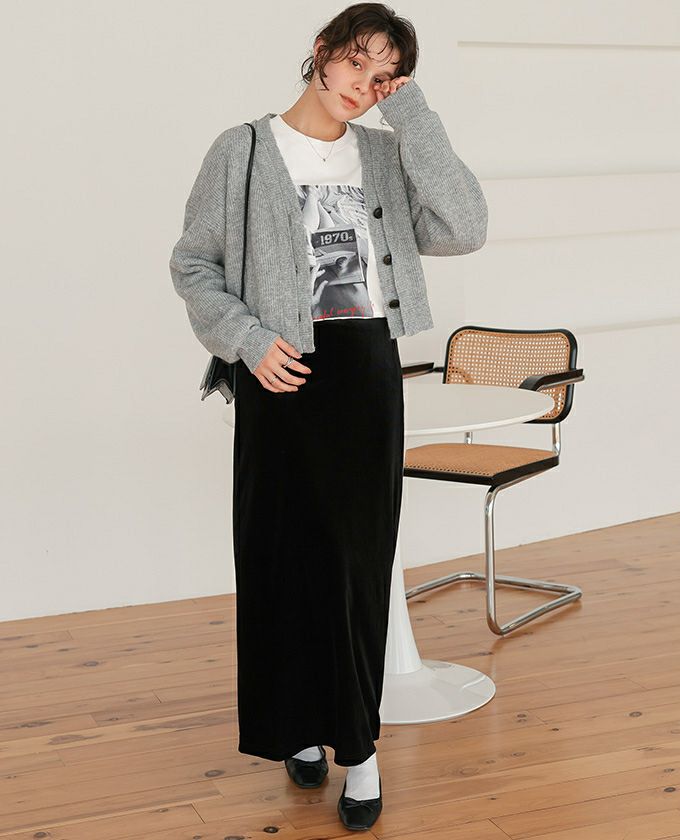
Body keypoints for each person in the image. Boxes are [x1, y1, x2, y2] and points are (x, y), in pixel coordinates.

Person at [169, 2, 488, 830]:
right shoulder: (242, 150)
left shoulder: (384, 153)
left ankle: (360, 748)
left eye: (384, 77)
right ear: (321, 50)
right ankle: (299, 727)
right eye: (356, 63)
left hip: (364, 370)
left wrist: (412, 114)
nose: (364, 85)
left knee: (356, 565)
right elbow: (194, 264)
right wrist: (246, 339)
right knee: (281, 560)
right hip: (277, 370)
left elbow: (465, 225)